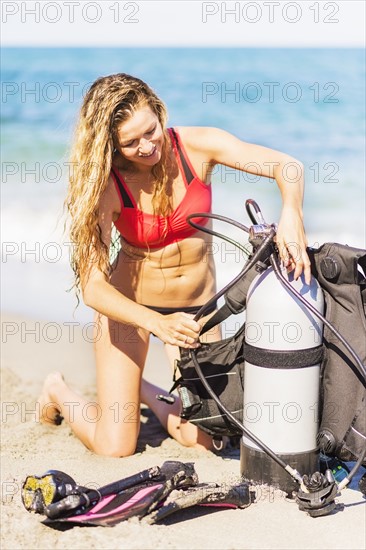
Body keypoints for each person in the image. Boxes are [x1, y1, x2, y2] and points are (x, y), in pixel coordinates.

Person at [38, 73, 311, 457]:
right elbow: (93, 287)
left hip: (197, 312)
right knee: (114, 447)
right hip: (131, 310)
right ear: (110, 146)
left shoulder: (197, 147)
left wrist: (291, 214)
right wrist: (155, 323)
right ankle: (57, 389)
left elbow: (289, 167)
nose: (147, 145)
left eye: (150, 130)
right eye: (130, 143)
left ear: (158, 108)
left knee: (207, 441)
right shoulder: (106, 185)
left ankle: (143, 392)